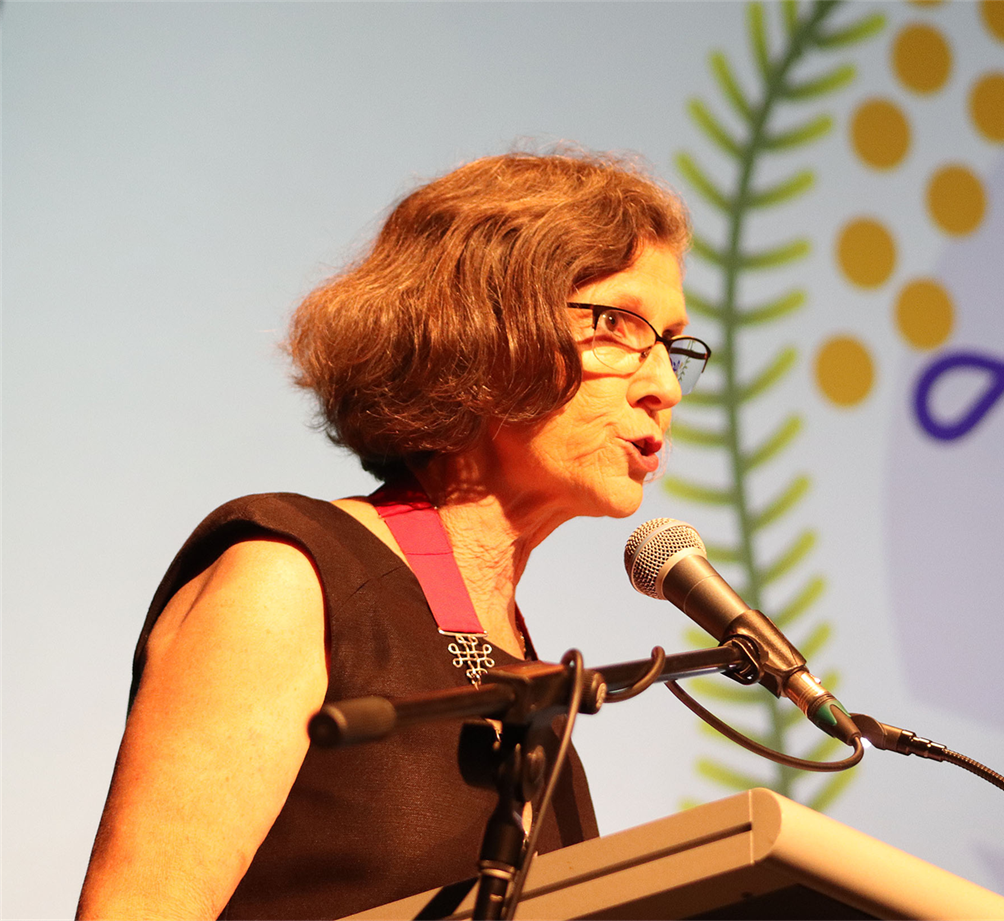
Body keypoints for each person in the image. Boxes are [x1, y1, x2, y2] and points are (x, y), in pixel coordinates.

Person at [76, 149, 709, 921]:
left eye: (673, 345)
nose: (665, 386)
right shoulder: (291, 580)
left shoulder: (530, 677)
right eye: (617, 324)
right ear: (484, 330)